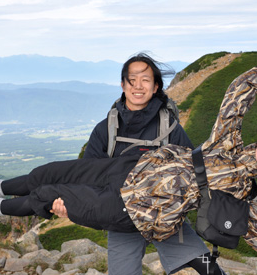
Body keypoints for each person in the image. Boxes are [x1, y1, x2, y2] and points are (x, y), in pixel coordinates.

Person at [0, 60, 257, 262]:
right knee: (51, 171)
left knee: (52, 192)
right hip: (127, 169)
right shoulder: (228, 141)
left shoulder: (245, 196)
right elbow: (239, 91)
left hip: (136, 209)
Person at [72, 53, 221, 275]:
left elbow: (193, 172)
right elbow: (87, 176)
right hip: (122, 219)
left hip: (168, 220)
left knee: (210, 270)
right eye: (133, 79)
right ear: (123, 85)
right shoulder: (106, 130)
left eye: (146, 80)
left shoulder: (170, 128)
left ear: (155, 87)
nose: (138, 86)